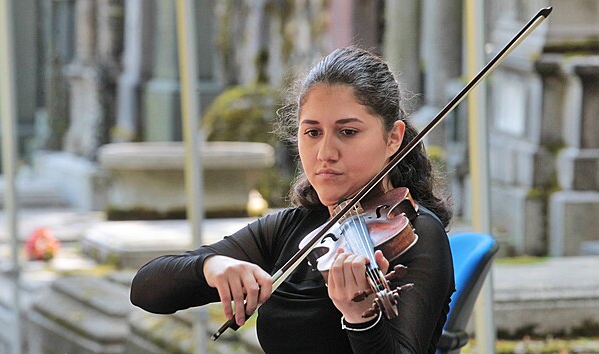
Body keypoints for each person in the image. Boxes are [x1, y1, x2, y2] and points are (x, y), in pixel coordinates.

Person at [130, 46, 455, 354]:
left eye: (348, 132)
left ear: (393, 138)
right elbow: (146, 289)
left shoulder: (418, 234)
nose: (326, 153)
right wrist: (210, 266)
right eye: (312, 133)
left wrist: (362, 318)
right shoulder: (294, 229)